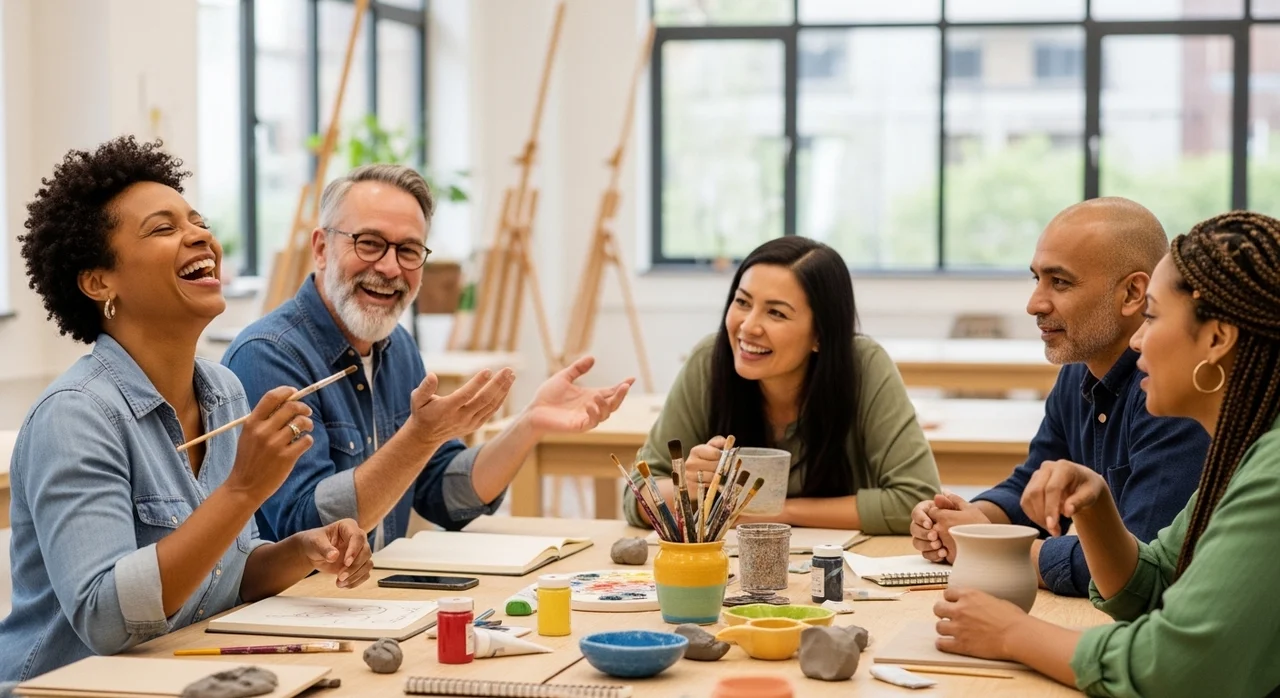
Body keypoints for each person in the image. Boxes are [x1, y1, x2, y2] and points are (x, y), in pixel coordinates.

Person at [0, 137, 372, 684]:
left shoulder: (223, 389)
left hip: (179, 678)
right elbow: (106, 619)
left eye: (197, 221)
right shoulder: (75, 416)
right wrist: (243, 489)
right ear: (99, 282)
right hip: (67, 689)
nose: (200, 235)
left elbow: (226, 573)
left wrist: (301, 552)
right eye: (163, 228)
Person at [933, 210, 1280, 696]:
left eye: (1153, 318)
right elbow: (1156, 581)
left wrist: (1012, 632)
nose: (1138, 341)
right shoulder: (1247, 449)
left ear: (1218, 339)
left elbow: (1178, 666)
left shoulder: (1273, 469)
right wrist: (1096, 510)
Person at [223, 164, 633, 547]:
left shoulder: (396, 346)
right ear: (321, 248)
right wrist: (420, 436)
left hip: (375, 602)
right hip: (293, 612)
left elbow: (445, 495)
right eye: (369, 244)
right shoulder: (268, 356)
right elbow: (309, 529)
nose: (389, 267)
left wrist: (528, 423)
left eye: (409, 250)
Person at [909, 198, 1208, 597]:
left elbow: (1136, 566)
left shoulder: (1172, 394)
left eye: (1060, 282)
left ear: (1134, 293)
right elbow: (1032, 488)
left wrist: (986, 548)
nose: (1035, 303)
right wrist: (965, 521)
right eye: (1037, 279)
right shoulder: (1077, 370)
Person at [623, 237, 941, 534]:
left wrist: (776, 512)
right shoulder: (710, 361)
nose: (748, 327)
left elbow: (916, 501)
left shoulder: (863, 366)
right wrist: (689, 487)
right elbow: (637, 496)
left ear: (820, 335)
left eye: (776, 313)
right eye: (743, 302)